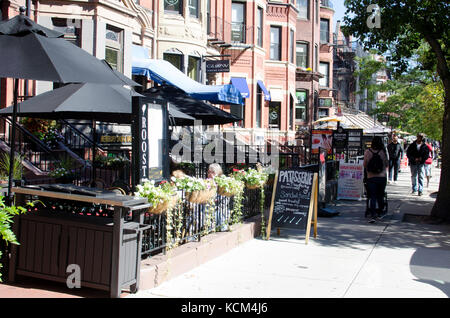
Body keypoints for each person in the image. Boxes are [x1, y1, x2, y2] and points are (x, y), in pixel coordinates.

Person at [363, 136, 389, 223]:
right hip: (381, 177)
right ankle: (380, 211)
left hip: (371, 177)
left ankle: (373, 213)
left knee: (372, 196)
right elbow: (386, 164)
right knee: (380, 195)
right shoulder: (382, 152)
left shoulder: (367, 152)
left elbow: (365, 164)